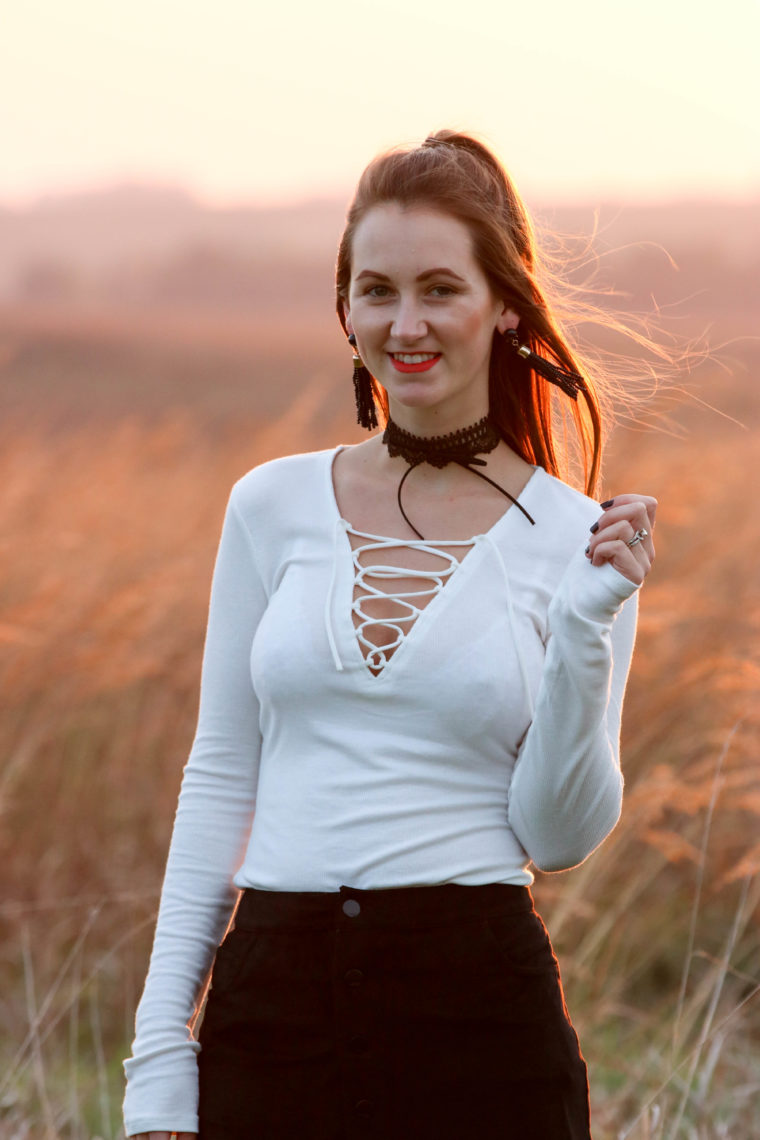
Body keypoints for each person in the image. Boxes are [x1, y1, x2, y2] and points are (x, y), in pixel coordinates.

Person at [122, 129, 656, 1140]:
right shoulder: (269, 505)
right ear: (346, 309)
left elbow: (558, 835)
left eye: (438, 289)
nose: (405, 324)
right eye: (377, 290)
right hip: (271, 1014)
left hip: (478, 1021)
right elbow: (222, 775)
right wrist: (159, 1057)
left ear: (504, 306)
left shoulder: (573, 541)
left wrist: (588, 627)